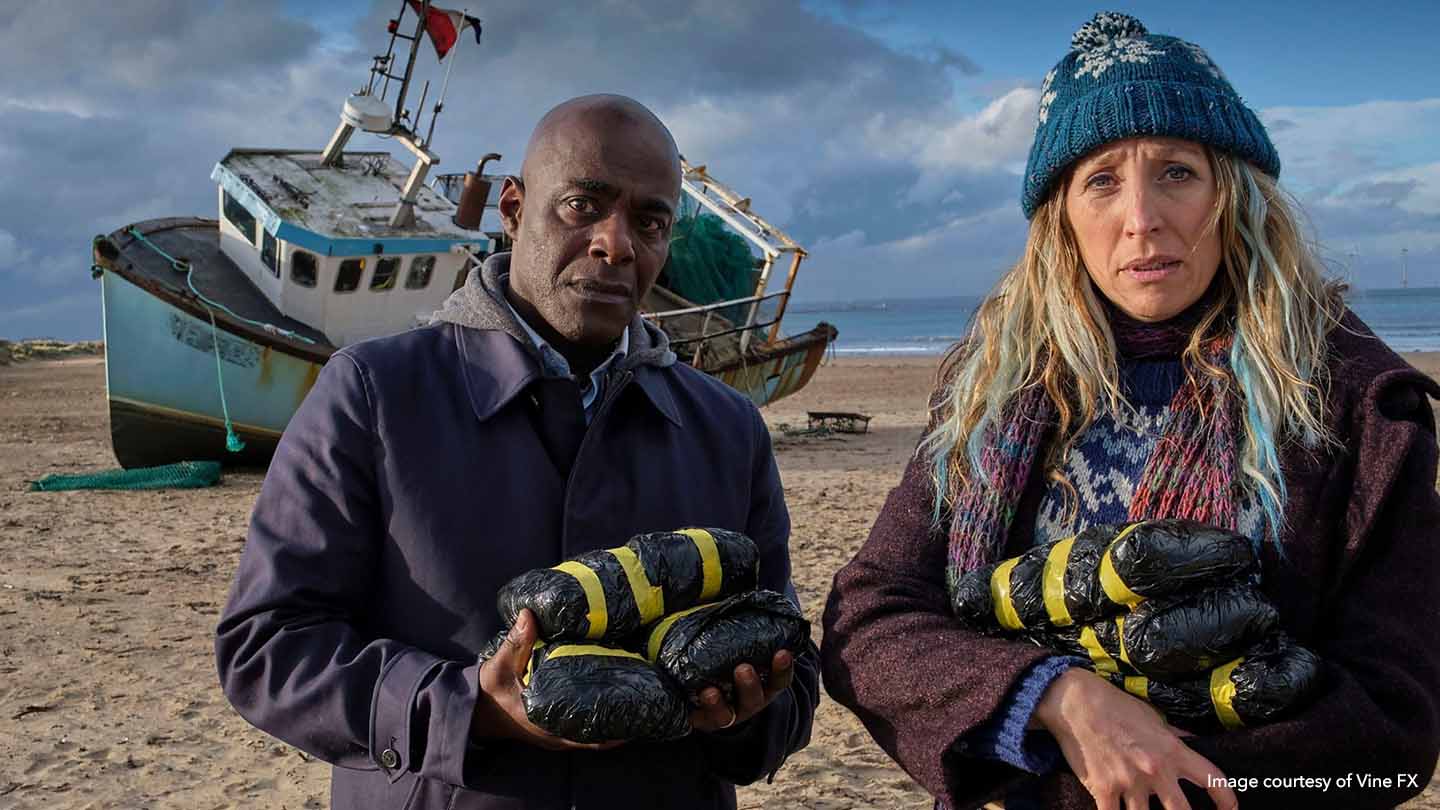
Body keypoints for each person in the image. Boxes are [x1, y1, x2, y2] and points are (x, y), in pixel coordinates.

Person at [821, 13, 1440, 810]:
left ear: (1235, 194)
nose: (1142, 218)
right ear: (1062, 219)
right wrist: (1054, 697)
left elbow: (1393, 731)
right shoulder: (994, 390)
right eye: (1102, 180)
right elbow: (869, 616)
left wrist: (1108, 782)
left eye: (1177, 171)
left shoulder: (1355, 402)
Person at [216, 94, 819, 810]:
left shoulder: (727, 428)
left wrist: (743, 715)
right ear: (511, 209)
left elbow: (791, 669)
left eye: (651, 221)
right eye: (582, 206)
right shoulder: (373, 395)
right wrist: (466, 708)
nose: (616, 243)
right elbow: (267, 647)